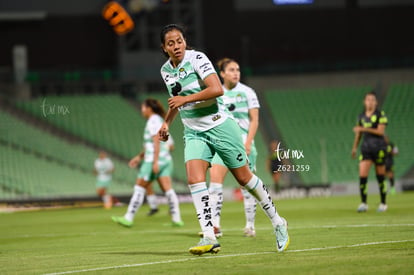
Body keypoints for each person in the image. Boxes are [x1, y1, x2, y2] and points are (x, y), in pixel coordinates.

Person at [158, 24, 289, 255]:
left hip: (220, 125)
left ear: (185, 42)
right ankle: (209, 236)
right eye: (171, 43)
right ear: (164, 48)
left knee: (244, 178)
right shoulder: (165, 71)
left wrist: (185, 101)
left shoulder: (197, 58)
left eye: (179, 41)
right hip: (193, 131)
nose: (176, 46)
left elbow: (216, 89)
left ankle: (278, 222)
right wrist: (167, 122)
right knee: (194, 179)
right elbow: (175, 100)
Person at [207, 58, 260, 238]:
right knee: (214, 180)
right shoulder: (216, 93)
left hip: (243, 143)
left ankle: (250, 225)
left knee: (247, 186)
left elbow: (255, 120)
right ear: (222, 73)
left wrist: (248, 143)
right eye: (231, 70)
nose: (236, 72)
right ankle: (215, 226)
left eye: (237, 69)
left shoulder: (248, 92)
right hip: (222, 142)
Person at [112, 98, 184, 227]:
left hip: (153, 161)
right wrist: (139, 157)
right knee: (168, 189)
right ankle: (177, 219)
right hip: (166, 160)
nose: (142, 110)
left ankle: (128, 217)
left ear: (148, 109)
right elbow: (170, 145)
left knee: (139, 187)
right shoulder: (161, 121)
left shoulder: (152, 121)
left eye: (143, 108)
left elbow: (155, 140)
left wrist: (155, 161)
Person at [352, 92, 388, 212]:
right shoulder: (361, 116)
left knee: (380, 177)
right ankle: (364, 203)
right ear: (364, 102)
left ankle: (383, 203)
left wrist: (363, 128)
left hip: (379, 148)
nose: (370, 102)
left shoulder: (380, 115)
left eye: (372, 100)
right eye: (368, 99)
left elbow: (380, 132)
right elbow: (359, 135)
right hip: (366, 148)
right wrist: (354, 148)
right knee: (362, 176)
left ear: (376, 102)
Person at [145, 136, 176, 216]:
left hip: (163, 162)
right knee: (147, 184)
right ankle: (154, 207)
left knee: (164, 186)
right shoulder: (149, 133)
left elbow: (172, 147)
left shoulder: (165, 132)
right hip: (151, 162)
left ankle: (173, 208)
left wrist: (163, 149)